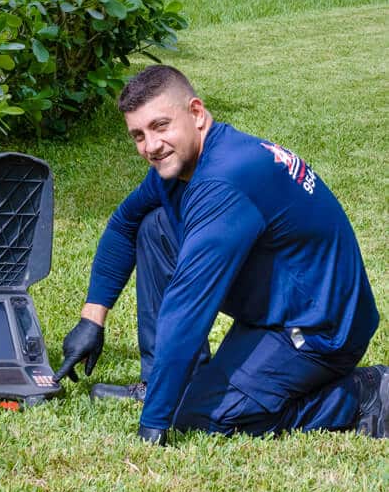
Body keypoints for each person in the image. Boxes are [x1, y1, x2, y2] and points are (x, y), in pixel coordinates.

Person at [54, 65, 386, 444]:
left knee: (199, 417)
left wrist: (155, 422)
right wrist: (91, 320)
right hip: (279, 301)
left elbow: (189, 306)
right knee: (155, 226)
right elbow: (123, 225)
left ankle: (362, 394)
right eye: (138, 135)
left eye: (161, 126)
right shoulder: (181, 166)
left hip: (319, 329)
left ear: (196, 113)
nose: (150, 146)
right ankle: (166, 381)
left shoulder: (226, 180)